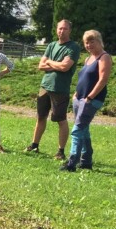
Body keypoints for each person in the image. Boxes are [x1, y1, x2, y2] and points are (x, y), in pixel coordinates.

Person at [26, 19, 80, 160]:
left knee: (60, 120)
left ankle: (60, 151)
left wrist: (49, 62)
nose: (62, 31)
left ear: (70, 30)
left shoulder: (73, 47)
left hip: (60, 88)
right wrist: (54, 63)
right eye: (59, 28)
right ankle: (35, 145)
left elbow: (65, 67)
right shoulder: (51, 45)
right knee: (40, 117)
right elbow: (41, 66)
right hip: (45, 86)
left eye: (65, 29)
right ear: (56, 29)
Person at [62, 30, 112, 172]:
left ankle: (72, 163)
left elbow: (103, 79)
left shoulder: (104, 57)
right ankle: (86, 160)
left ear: (99, 41)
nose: (89, 45)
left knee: (77, 130)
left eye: (92, 41)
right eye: (86, 42)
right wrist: (77, 94)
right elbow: (84, 78)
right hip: (80, 99)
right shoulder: (88, 58)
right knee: (84, 130)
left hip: (92, 100)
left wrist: (90, 97)